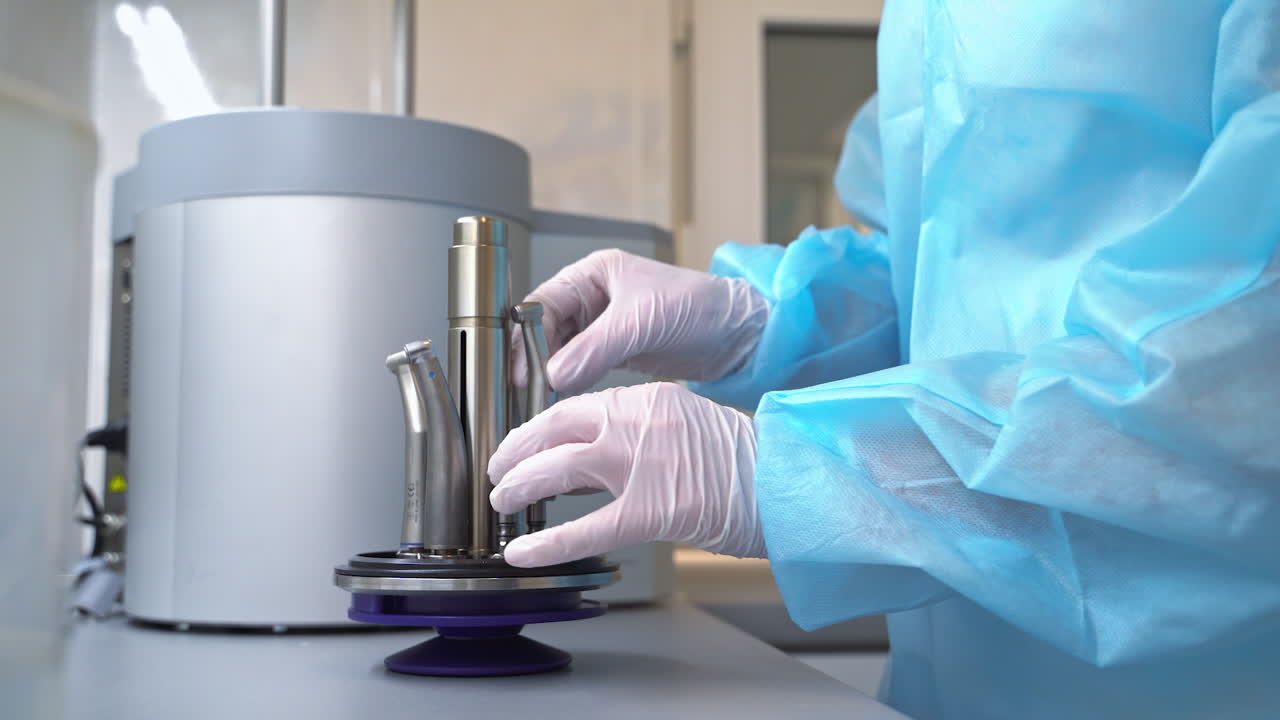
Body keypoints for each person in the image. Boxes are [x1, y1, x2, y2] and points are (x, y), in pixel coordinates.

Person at [488, 3, 1280, 717]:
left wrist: (787, 472)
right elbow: (937, 284)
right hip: (952, 676)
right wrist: (760, 323)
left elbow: (1237, 376)